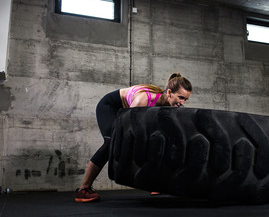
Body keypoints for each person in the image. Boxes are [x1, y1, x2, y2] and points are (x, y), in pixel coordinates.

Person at [75, 73, 192, 202]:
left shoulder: (168, 105)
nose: (182, 103)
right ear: (169, 92)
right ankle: (83, 190)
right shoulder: (144, 99)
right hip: (110, 107)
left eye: (185, 99)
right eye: (181, 97)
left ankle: (155, 184)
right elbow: (127, 125)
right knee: (111, 143)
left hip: (125, 111)